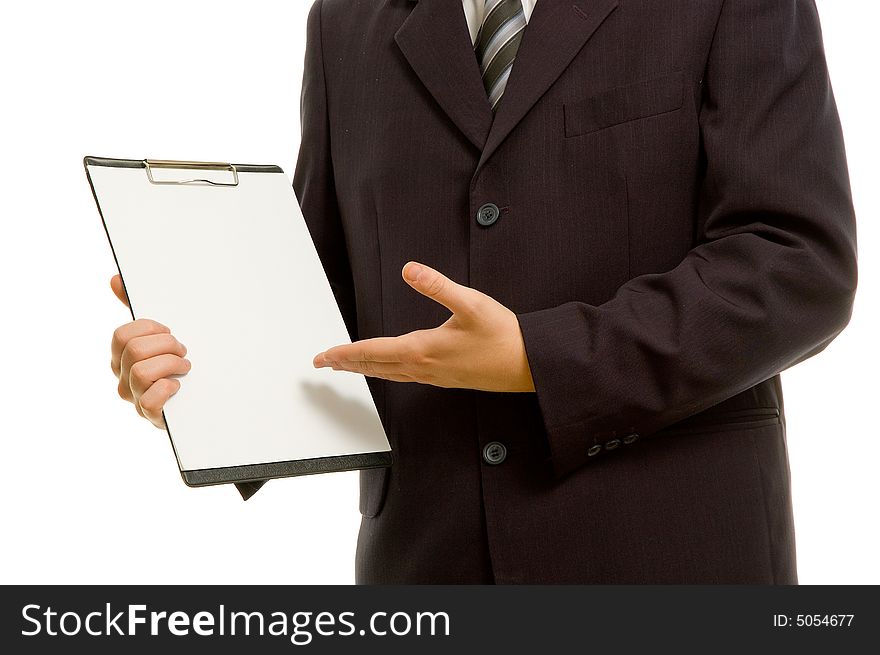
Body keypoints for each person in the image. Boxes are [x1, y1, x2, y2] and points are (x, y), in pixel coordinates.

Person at [108, 0, 857, 584]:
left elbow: (798, 262)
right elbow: (322, 302)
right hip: (427, 572)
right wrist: (201, 375)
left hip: (668, 556)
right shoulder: (345, 23)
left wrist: (543, 357)